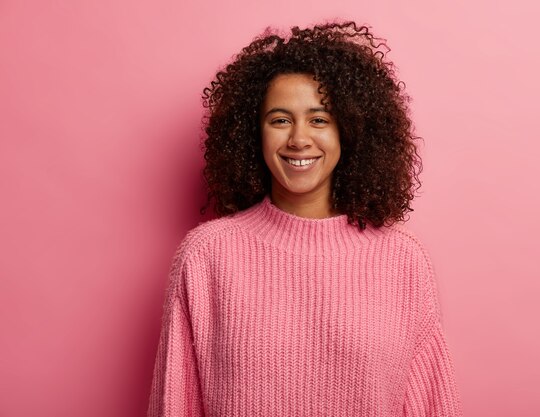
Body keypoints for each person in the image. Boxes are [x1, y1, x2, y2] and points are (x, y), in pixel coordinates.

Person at [148, 21, 463, 417]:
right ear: (253, 133)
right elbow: (175, 405)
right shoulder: (207, 256)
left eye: (319, 120)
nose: (299, 138)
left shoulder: (403, 260)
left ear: (348, 132)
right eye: (280, 120)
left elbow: (432, 406)